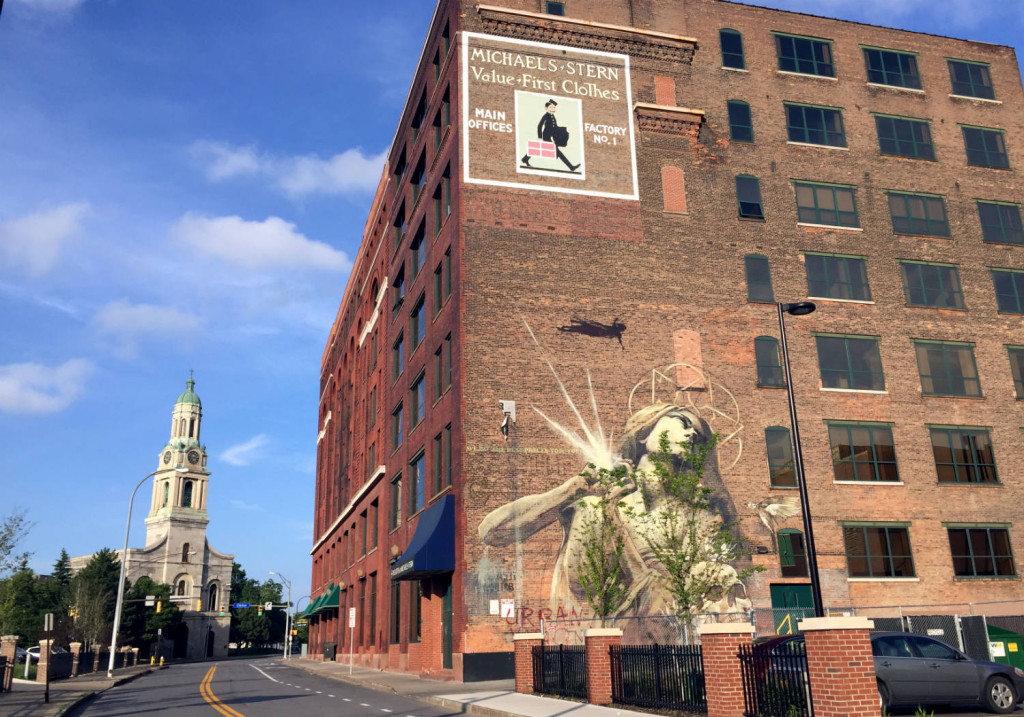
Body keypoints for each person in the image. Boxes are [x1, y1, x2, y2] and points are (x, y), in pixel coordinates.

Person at [477, 402, 750, 619]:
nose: (692, 434)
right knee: (593, 509)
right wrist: (573, 489)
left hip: (661, 635)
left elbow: (706, 585)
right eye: (682, 422)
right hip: (595, 620)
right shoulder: (598, 493)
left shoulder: (695, 515)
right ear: (644, 432)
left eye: (700, 435)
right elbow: (492, 532)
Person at [521, 99, 579, 172]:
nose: (553, 109)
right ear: (546, 108)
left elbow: (555, 127)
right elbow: (539, 125)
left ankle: (525, 159)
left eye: (554, 108)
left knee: (538, 148)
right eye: (551, 108)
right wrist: (539, 137)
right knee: (557, 152)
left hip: (550, 136)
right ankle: (571, 167)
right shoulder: (546, 116)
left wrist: (565, 129)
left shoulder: (552, 116)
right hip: (546, 136)